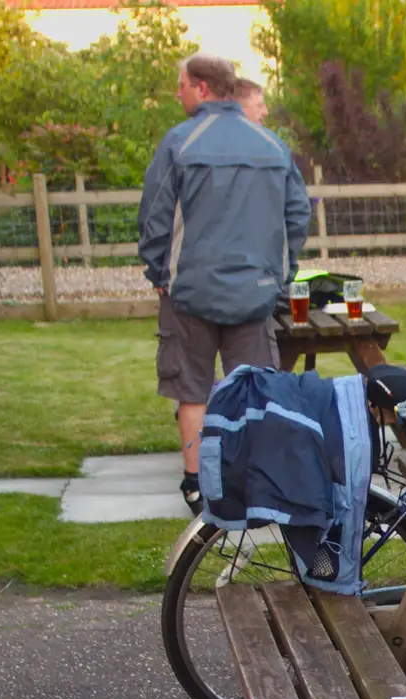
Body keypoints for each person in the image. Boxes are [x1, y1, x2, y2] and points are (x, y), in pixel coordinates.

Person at [139, 53, 310, 510]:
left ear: (203, 88)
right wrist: (281, 276)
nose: (177, 94)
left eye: (181, 85)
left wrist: (157, 272)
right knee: (253, 388)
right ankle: (250, 480)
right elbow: (298, 216)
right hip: (255, 294)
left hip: (189, 293)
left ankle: (195, 484)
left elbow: (155, 214)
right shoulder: (272, 146)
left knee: (191, 388)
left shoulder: (180, 142)